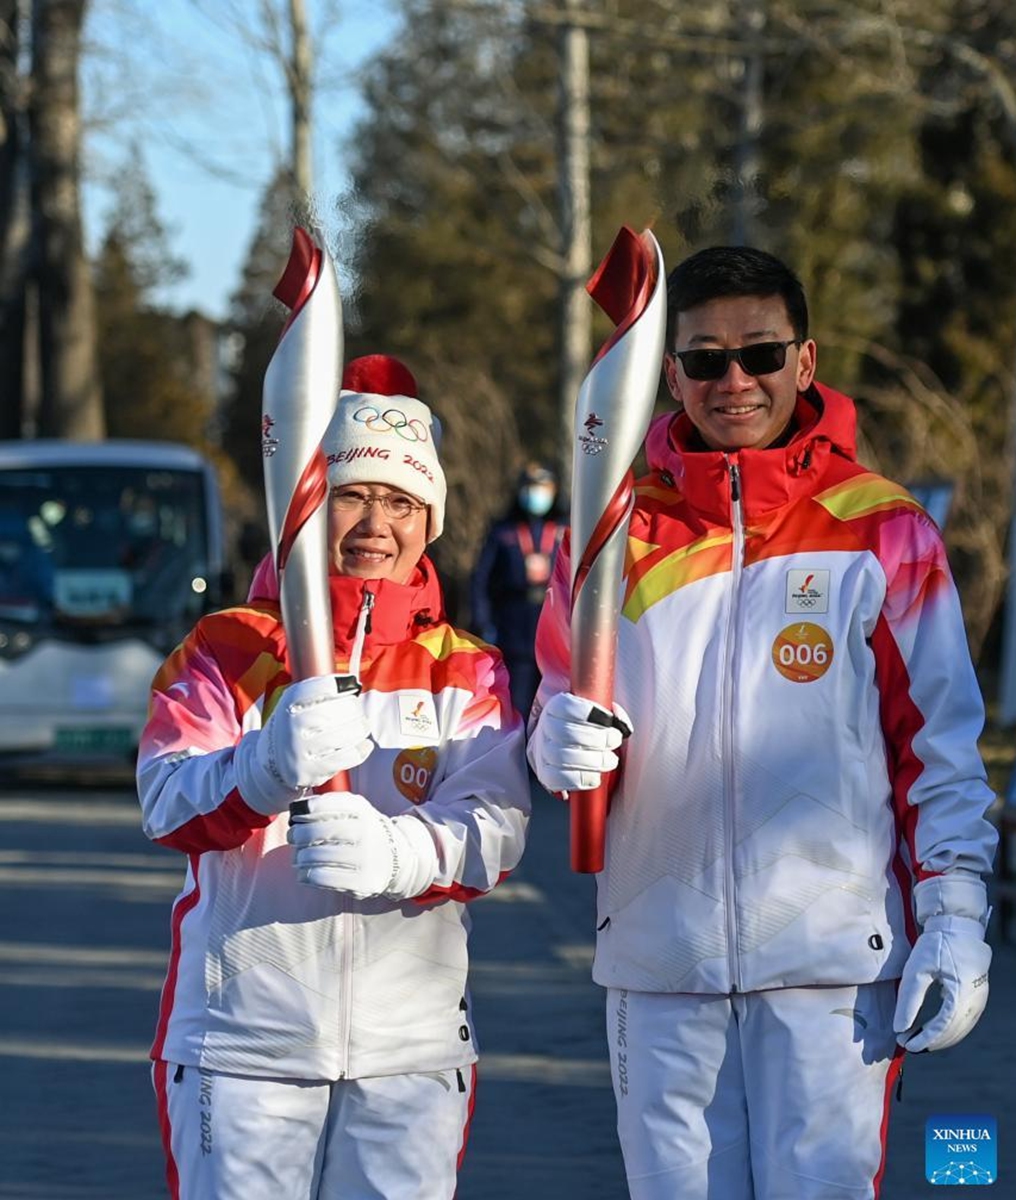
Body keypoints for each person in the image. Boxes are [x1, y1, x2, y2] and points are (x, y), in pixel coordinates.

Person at [527, 246, 997, 1199]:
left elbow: (937, 750)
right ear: (671, 377)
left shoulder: (883, 530)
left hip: (832, 965)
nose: (733, 380)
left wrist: (955, 916)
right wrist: (553, 743)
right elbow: (558, 705)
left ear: (806, 361)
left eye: (760, 354)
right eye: (704, 359)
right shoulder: (612, 537)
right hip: (659, 965)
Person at [137, 354, 531, 1199]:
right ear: (308, 508)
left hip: (412, 1049)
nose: (374, 523)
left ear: (430, 521)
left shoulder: (467, 669)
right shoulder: (225, 650)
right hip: (240, 1043)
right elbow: (168, 801)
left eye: (400, 501)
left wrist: (398, 855)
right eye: (351, 494)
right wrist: (268, 764)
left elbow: (496, 827)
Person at [470, 461, 565, 719]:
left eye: (542, 487)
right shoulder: (504, 530)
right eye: (531, 487)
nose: (536, 494)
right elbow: (481, 581)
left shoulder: (565, 529)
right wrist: (484, 623)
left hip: (554, 627)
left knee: (554, 707)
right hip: (514, 631)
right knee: (516, 706)